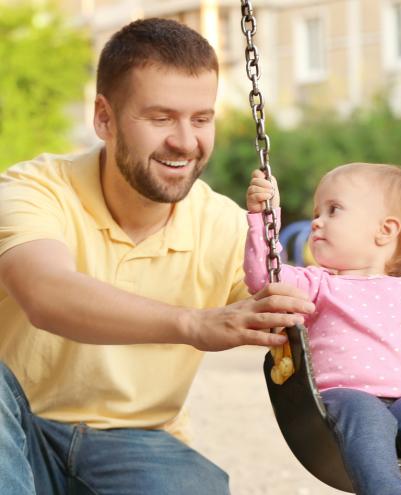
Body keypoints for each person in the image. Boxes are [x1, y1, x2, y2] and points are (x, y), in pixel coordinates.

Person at [0, 19, 313, 495]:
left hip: (136, 445)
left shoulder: (224, 225)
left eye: (201, 118)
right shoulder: (32, 191)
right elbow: (46, 293)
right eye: (161, 117)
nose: (185, 142)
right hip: (16, 433)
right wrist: (193, 324)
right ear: (103, 117)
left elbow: (312, 317)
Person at [245, 163, 401, 494]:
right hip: (342, 401)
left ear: (386, 231)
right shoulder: (316, 285)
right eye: (316, 211)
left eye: (333, 209)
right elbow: (264, 278)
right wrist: (263, 218)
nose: (316, 221)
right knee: (365, 411)